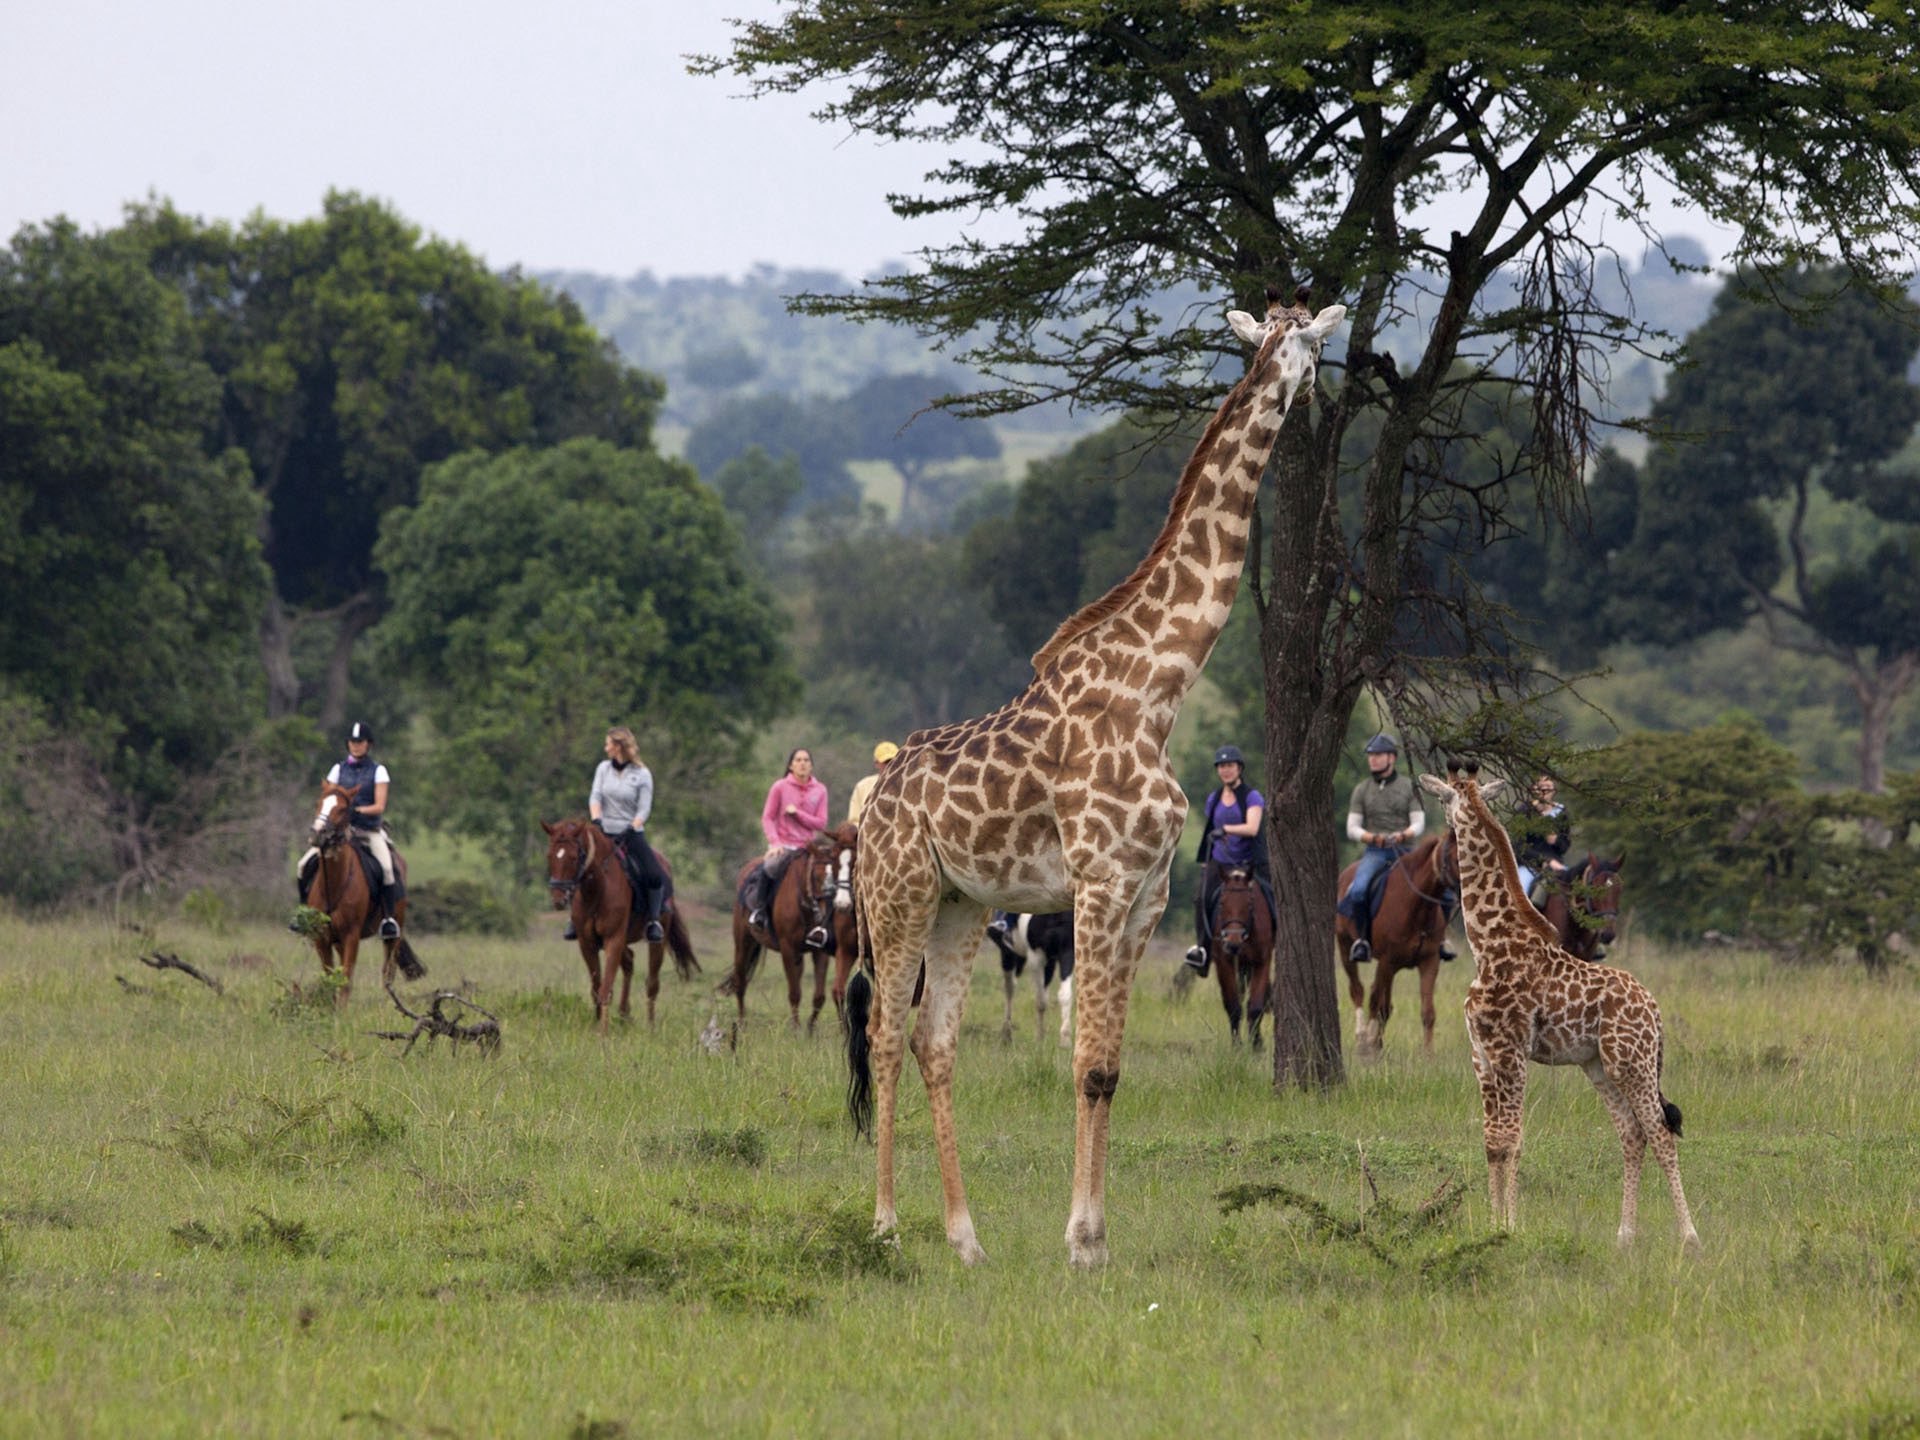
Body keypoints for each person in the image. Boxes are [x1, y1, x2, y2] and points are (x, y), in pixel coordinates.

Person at [1337, 733, 1454, 963]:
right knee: (1358, 890)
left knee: (1447, 892)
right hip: (1376, 851)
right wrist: (1371, 837)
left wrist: (1403, 835)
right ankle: (1362, 941)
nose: (1373, 759)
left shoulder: (1409, 787)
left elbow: (1418, 823)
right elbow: (1352, 827)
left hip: (1407, 851)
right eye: (1371, 755)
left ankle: (1440, 940)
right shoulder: (1362, 789)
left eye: (1378, 755)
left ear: (1391, 757)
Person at [296, 721, 403, 939]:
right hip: (340, 833)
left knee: (387, 869)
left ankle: (388, 920)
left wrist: (357, 810)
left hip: (368, 832)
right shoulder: (338, 769)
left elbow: (380, 806)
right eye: (352, 742)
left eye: (360, 742)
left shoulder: (378, 771)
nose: (355, 746)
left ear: (368, 744)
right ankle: (305, 915)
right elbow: (329, 795)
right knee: (302, 865)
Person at [564, 726, 668, 943]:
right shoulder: (602, 769)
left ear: (619, 746)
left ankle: (654, 921)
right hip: (602, 830)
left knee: (655, 874)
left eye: (608, 743)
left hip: (631, 832)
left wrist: (633, 826)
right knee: (577, 865)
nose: (606, 747)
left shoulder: (642, 774)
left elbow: (644, 808)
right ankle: (574, 919)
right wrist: (597, 820)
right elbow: (595, 796)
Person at [1183, 745, 1274, 977]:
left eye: (1230, 766)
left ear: (1239, 768)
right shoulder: (1213, 799)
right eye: (1222, 766)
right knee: (1202, 897)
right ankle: (1202, 950)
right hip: (1220, 861)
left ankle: (1278, 940)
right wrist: (1205, 861)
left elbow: (1252, 828)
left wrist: (1225, 829)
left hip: (1248, 862)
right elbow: (1209, 830)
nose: (1226, 770)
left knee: (1271, 896)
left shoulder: (1252, 797)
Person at [744, 747, 831, 948]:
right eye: (798, 760)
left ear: (811, 765)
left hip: (809, 847)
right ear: (791, 765)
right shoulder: (780, 787)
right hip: (784, 845)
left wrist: (797, 814)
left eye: (806, 760)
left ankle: (826, 924)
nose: (802, 763)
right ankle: (760, 912)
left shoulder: (820, 790)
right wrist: (774, 843)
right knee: (770, 868)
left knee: (828, 874)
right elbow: (768, 817)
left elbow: (821, 823)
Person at [1512, 774, 1572, 906]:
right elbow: (1518, 847)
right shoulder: (1524, 812)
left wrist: (1555, 840)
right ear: (1534, 789)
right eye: (1541, 787)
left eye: (1548, 787)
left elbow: (1565, 845)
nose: (1545, 791)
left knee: (1574, 890)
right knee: (1519, 895)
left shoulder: (1561, 812)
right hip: (1528, 866)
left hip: (1557, 865)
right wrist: (1544, 861)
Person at [846, 740, 898, 825]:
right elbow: (854, 821)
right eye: (886, 762)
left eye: (894, 761)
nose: (891, 765)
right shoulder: (862, 786)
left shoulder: (910, 787)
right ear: (876, 763)